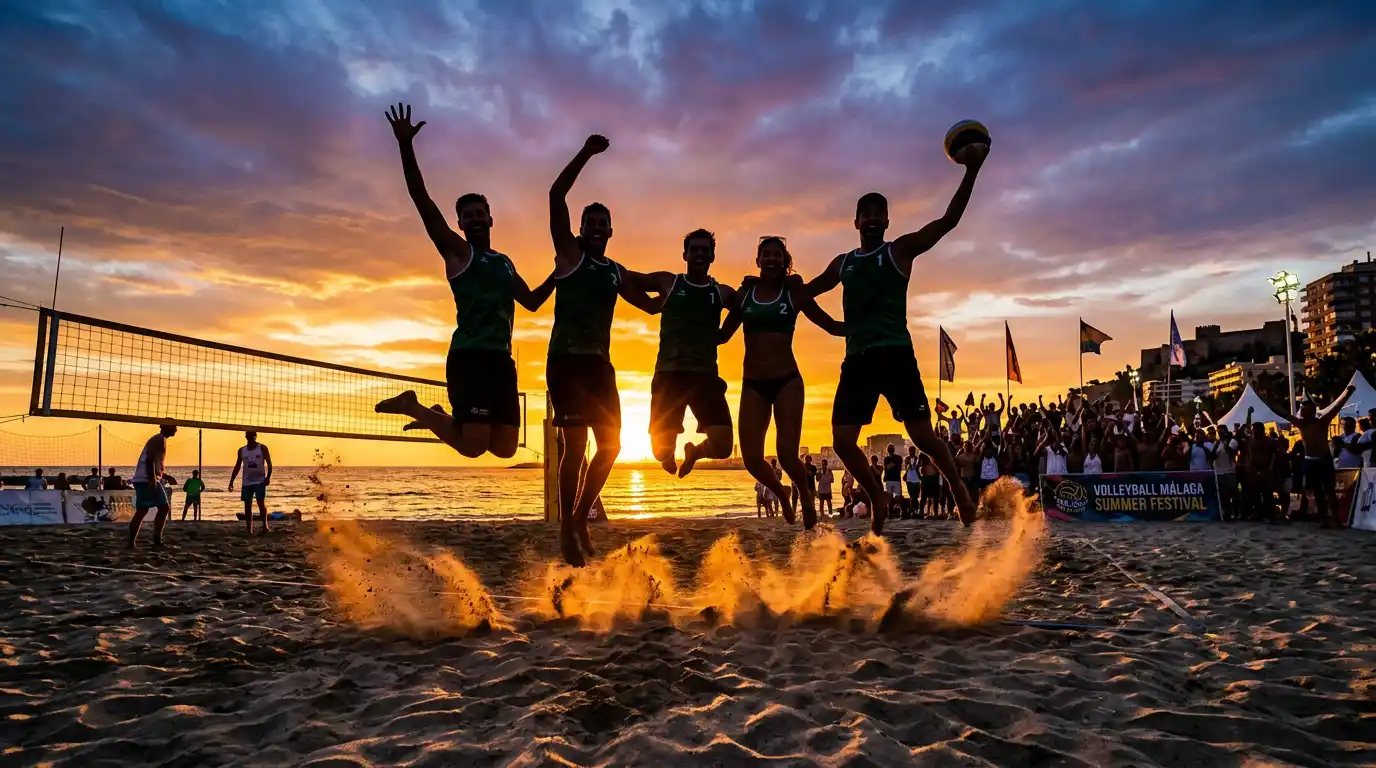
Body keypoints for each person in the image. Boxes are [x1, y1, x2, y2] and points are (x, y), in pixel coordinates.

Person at [800, 142, 988, 533]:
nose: (871, 218)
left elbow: (948, 221)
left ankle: (957, 488)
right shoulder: (844, 263)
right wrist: (832, 326)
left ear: (886, 220)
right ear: (855, 222)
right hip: (858, 360)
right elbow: (803, 294)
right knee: (843, 440)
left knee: (921, 436)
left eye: (878, 213)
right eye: (864, 214)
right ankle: (876, 497)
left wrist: (971, 170)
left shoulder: (899, 251)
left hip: (896, 355)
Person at [374, 103, 555, 459]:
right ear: (459, 224)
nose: (474, 219)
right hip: (469, 358)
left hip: (501, 362)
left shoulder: (504, 262)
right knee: (473, 446)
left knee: (504, 448)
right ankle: (415, 407)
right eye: (466, 216)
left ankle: (439, 418)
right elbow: (421, 200)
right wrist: (405, 144)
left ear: (490, 219)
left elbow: (532, 301)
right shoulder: (458, 254)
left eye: (479, 214)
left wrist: (560, 272)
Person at [545, 134, 664, 566]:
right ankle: (565, 528)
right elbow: (556, 194)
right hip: (566, 362)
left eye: (603, 224)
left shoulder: (615, 271)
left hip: (599, 366)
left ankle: (579, 517)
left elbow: (649, 303)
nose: (597, 229)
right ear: (581, 230)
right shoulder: (570, 255)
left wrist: (676, 292)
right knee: (574, 449)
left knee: (610, 447)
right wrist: (586, 153)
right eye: (590, 223)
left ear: (611, 232)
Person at [718, 236, 844, 528]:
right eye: (766, 254)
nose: (772, 259)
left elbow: (830, 325)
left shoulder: (794, 294)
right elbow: (722, 336)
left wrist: (862, 327)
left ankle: (806, 495)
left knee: (788, 455)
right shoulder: (744, 296)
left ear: (785, 261)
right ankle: (782, 494)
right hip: (753, 384)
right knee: (751, 458)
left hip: (787, 381)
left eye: (778, 254)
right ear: (758, 260)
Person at [628, 230, 737, 478]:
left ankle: (694, 453)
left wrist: (726, 332)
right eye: (695, 249)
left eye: (705, 250)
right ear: (685, 254)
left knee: (722, 447)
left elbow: (745, 305)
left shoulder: (721, 292)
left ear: (712, 256)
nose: (700, 254)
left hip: (705, 377)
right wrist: (648, 304)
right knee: (660, 450)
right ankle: (667, 455)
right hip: (669, 376)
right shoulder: (669, 282)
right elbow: (627, 278)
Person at [1289, 386, 1356, 528]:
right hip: (1310, 461)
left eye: (1309, 409)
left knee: (1329, 490)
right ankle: (1324, 519)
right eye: (1304, 409)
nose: (1306, 411)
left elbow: (1337, 406)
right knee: (1318, 492)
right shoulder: (1301, 424)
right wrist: (1266, 400)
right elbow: (1282, 413)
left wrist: (1348, 393)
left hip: (1324, 460)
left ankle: (1336, 520)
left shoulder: (1322, 421)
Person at [127, 424, 178, 549]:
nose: (176, 429)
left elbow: (153, 463)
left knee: (147, 510)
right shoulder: (159, 439)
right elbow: (149, 460)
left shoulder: (160, 439)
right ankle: (155, 541)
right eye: (174, 427)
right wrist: (152, 479)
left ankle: (134, 543)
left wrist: (165, 476)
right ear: (165, 428)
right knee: (161, 508)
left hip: (145, 478)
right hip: (146, 479)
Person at [228, 431, 274, 536]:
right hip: (247, 482)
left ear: (255, 437)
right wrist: (231, 481)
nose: (249, 438)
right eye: (247, 436)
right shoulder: (242, 450)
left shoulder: (262, 448)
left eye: (251, 436)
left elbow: (269, 463)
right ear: (246, 437)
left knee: (260, 504)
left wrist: (268, 477)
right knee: (247, 506)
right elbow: (237, 466)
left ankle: (265, 526)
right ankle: (249, 530)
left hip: (260, 481)